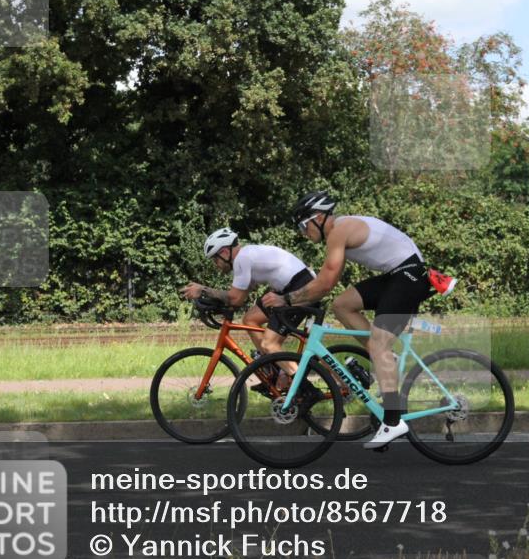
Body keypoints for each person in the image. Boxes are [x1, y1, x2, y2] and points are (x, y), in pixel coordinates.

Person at [261, 190, 456, 449]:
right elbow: (326, 286)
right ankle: (384, 356)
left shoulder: (339, 231)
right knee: (342, 305)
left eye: (303, 225)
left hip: (409, 276)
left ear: (318, 217)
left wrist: (286, 299)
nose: (303, 233)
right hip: (397, 275)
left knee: (377, 344)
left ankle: (393, 419)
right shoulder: (340, 230)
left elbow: (325, 282)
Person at [180, 228, 317, 360]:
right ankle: (271, 366)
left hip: (299, 287)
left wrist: (203, 290)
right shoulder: (246, 256)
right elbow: (238, 300)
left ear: (225, 252)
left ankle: (297, 381)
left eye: (215, 259)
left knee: (269, 344)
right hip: (291, 285)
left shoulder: (242, 259)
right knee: (250, 319)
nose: (216, 264)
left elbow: (234, 298)